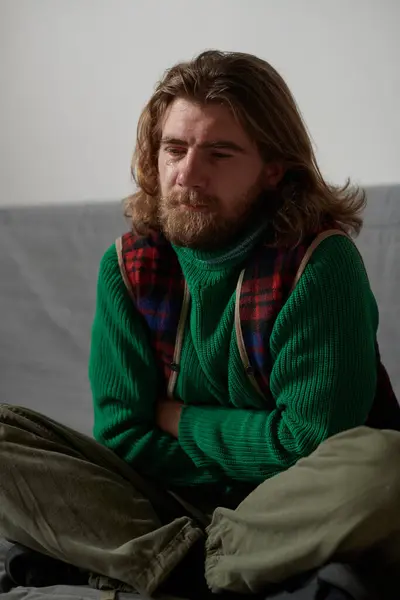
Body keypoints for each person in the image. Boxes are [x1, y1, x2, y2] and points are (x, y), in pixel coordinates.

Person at [1, 50, 400, 600]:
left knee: (385, 467)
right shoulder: (127, 268)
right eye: (175, 149)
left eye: (219, 153)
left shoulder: (320, 265)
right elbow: (124, 435)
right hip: (167, 502)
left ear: (272, 169)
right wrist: (244, 446)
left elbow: (312, 442)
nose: (188, 173)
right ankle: (197, 562)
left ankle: (160, 563)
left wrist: (179, 418)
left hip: (293, 501)